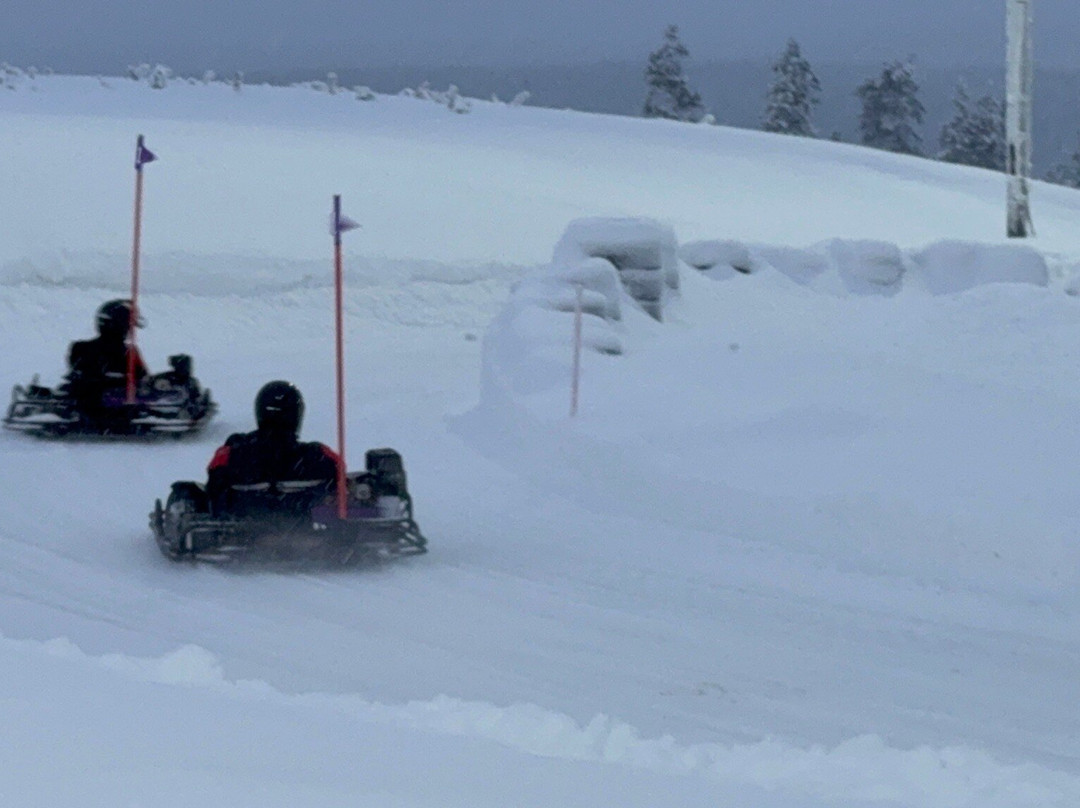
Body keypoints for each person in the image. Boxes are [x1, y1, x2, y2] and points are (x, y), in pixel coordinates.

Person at [206, 381, 340, 515]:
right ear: (297, 415)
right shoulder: (318, 457)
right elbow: (343, 487)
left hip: (240, 529)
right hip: (308, 528)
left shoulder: (233, 454)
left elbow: (213, 491)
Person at [64, 299, 148, 416]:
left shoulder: (80, 348)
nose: (130, 331)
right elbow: (143, 379)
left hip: (85, 410)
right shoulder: (129, 353)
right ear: (122, 326)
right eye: (130, 326)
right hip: (123, 413)